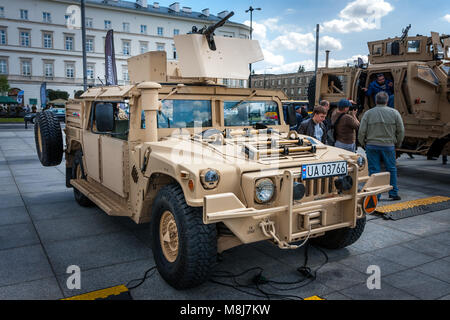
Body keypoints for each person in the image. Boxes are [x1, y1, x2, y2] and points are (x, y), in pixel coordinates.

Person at [358, 92, 405, 201]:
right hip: (388, 146)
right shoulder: (394, 113)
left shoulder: (368, 113)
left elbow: (361, 131)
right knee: (391, 169)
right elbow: (401, 131)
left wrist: (363, 143)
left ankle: (375, 195)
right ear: (387, 101)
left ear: (376, 101)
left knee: (374, 170)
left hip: (372, 145)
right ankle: (393, 193)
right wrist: (397, 144)